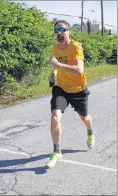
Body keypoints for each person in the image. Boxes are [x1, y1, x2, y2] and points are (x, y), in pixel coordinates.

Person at [46, 20, 94, 168]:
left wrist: (59, 65)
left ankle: (90, 131)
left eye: (62, 30)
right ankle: (57, 151)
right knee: (55, 117)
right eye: (56, 31)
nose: (59, 33)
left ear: (69, 32)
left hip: (78, 89)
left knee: (84, 117)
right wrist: (53, 74)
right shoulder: (55, 48)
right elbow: (55, 67)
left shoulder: (76, 46)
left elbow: (80, 70)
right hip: (61, 88)